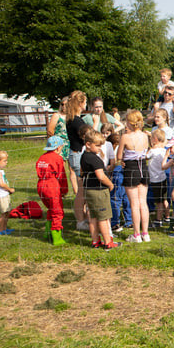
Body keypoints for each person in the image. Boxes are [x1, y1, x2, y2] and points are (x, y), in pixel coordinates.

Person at [80, 129, 121, 250]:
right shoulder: (95, 159)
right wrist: (110, 184)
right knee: (103, 217)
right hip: (98, 190)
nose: (100, 148)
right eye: (97, 146)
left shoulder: (84, 157)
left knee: (92, 216)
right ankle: (108, 241)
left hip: (88, 189)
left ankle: (95, 241)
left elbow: (82, 172)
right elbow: (101, 176)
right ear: (88, 144)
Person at [117, 109, 151, 243]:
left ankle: (136, 234)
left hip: (131, 169)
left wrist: (122, 160)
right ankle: (145, 233)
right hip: (143, 167)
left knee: (134, 203)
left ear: (130, 123)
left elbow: (119, 156)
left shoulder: (125, 137)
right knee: (143, 202)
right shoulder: (145, 136)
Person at [36, 136, 69, 245]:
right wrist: (64, 190)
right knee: (57, 211)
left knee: (50, 208)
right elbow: (62, 175)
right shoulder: (57, 158)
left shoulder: (42, 157)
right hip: (52, 185)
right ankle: (57, 237)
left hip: (41, 184)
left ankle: (48, 232)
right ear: (59, 147)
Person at [65, 90, 90, 230]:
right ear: (80, 103)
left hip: (76, 154)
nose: (86, 104)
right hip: (78, 155)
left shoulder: (72, 119)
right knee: (82, 191)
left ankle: (84, 218)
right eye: (85, 102)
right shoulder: (77, 121)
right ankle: (81, 221)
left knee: (83, 190)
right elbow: (88, 135)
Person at [46, 97, 73, 197]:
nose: (64, 106)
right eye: (62, 104)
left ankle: (73, 190)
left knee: (72, 169)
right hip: (59, 145)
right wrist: (55, 144)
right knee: (59, 168)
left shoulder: (71, 116)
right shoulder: (56, 115)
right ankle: (58, 190)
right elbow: (50, 130)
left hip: (70, 144)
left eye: (66, 104)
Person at [106, 130, 131, 233]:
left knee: (115, 198)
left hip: (118, 172)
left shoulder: (114, 149)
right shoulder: (124, 147)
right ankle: (129, 220)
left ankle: (115, 222)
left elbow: (113, 163)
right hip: (127, 172)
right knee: (127, 197)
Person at [147, 128, 169, 229]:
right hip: (163, 177)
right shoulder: (164, 150)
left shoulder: (153, 151)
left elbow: (145, 156)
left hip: (155, 179)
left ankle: (158, 220)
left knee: (159, 201)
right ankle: (167, 217)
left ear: (154, 139)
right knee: (164, 199)